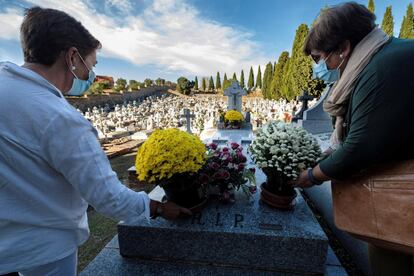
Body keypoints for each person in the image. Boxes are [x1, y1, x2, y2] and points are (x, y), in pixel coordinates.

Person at [0, 7, 191, 276]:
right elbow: (108, 197)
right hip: (44, 253)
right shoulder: (61, 119)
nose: (90, 75)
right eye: (91, 65)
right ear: (72, 57)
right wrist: (157, 207)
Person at [292, 2, 414, 275]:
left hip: (400, 201)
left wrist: (311, 176)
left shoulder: (380, 69)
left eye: (318, 57)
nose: (318, 67)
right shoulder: (382, 57)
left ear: (343, 48)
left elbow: (360, 147)